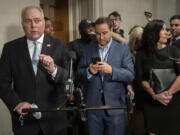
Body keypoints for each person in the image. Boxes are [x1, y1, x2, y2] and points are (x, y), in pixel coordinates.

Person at [0, 6, 70, 135]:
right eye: (28, 21)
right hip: (25, 122)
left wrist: (53, 69)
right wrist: (17, 104)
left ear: (43, 22)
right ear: (22, 24)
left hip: (54, 121)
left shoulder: (60, 45)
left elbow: (69, 78)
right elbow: (2, 83)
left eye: (37, 20)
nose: (33, 25)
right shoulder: (10, 48)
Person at [77, 17, 134, 135]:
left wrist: (112, 70)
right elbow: (78, 73)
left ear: (111, 29)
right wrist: (89, 71)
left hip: (115, 107)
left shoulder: (122, 49)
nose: (101, 37)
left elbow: (130, 75)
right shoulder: (87, 49)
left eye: (104, 33)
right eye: (98, 33)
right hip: (93, 107)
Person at [135, 20, 180, 135]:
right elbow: (141, 79)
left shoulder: (174, 51)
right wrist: (155, 96)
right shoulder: (141, 54)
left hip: (173, 102)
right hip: (151, 103)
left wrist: (167, 94)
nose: (167, 32)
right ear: (153, 33)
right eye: (163, 29)